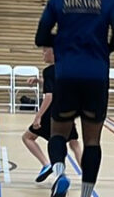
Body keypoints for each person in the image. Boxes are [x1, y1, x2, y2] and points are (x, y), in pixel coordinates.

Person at [35, 0, 114, 197]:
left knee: (58, 132)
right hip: (96, 76)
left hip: (67, 75)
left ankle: (60, 174)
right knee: (92, 141)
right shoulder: (111, 1)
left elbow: (41, 36)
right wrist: (102, 49)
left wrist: (64, 42)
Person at [24, 47, 83, 181]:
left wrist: (38, 116)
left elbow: (49, 96)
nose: (43, 53)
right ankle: (87, 175)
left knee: (27, 137)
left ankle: (46, 165)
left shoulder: (49, 71)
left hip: (51, 112)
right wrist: (39, 81)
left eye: (45, 51)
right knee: (74, 143)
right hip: (68, 111)